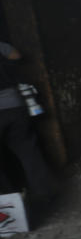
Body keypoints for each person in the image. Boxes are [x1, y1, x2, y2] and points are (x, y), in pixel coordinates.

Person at [0, 41, 57, 202]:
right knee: (28, 152)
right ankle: (45, 195)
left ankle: (9, 203)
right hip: (15, 106)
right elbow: (17, 56)